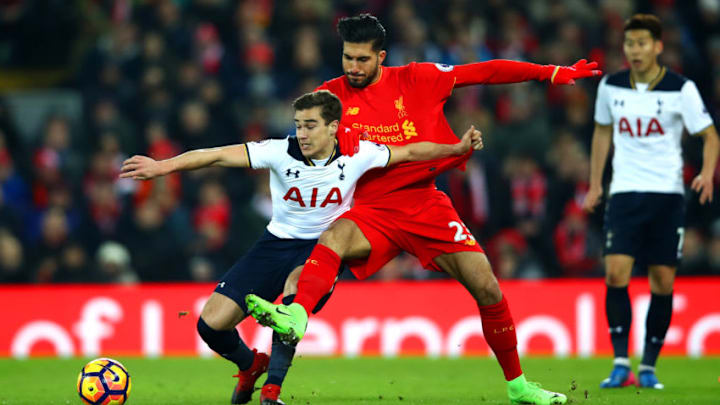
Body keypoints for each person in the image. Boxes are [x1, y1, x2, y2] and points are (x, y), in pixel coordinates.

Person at [245, 13, 601, 405]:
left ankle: (518, 386)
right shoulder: (330, 97)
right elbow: (302, 145)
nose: (353, 68)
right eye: (347, 58)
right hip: (369, 207)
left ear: (382, 56)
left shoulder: (418, 78)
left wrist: (547, 72)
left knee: (486, 285)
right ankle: (294, 322)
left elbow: (485, 72)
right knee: (333, 238)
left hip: (424, 202)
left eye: (362, 60)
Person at [120, 90, 482, 405]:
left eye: (310, 125)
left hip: (323, 248)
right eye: (298, 124)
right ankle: (251, 366)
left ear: (333, 127)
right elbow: (215, 155)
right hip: (274, 244)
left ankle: (272, 391)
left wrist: (457, 148)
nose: (302, 132)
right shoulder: (279, 152)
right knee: (210, 326)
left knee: (293, 304)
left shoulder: (359, 154)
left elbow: (411, 152)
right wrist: (162, 166)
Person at [582, 14, 719, 389]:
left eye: (642, 43)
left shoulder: (681, 88)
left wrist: (707, 173)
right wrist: (595, 184)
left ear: (658, 46)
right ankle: (620, 361)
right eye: (629, 44)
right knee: (615, 273)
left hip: (667, 196)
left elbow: (709, 136)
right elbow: (601, 132)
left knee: (661, 280)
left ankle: (649, 366)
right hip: (625, 192)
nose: (635, 50)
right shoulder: (610, 86)